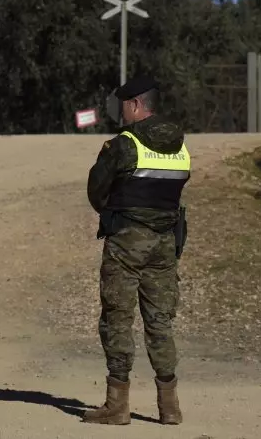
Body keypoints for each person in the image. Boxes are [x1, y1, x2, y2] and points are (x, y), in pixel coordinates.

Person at [83, 75, 191, 426]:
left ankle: (117, 405)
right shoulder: (180, 145)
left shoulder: (123, 146)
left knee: (117, 319)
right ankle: (170, 407)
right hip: (164, 243)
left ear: (135, 105)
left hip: (127, 241)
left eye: (124, 106)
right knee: (160, 322)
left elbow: (97, 191)